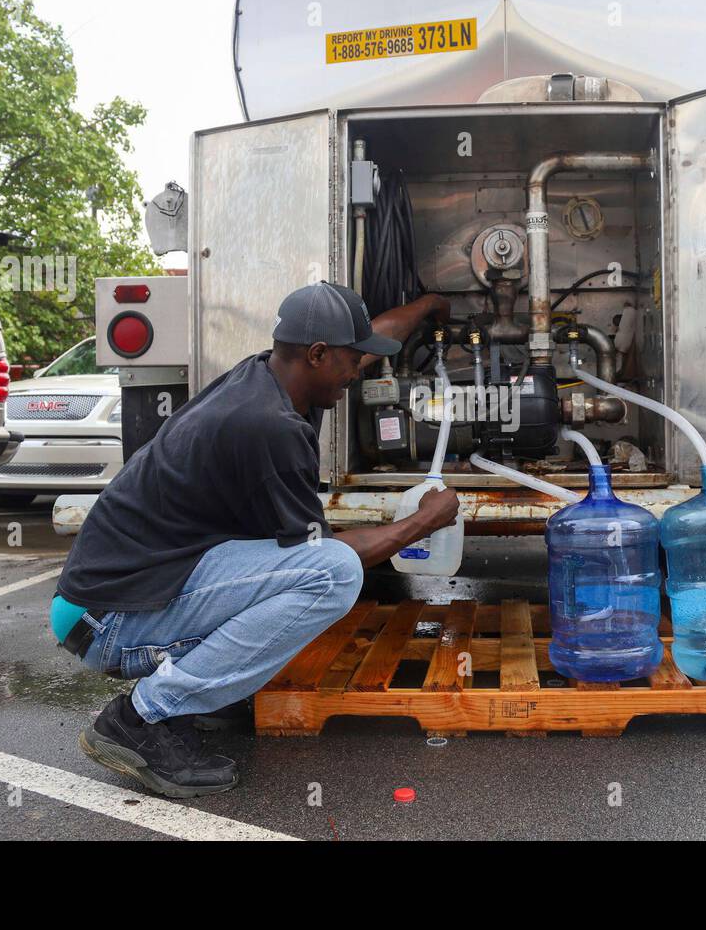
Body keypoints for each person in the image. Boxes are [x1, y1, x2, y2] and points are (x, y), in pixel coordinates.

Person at [50, 282, 461, 798]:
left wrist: (428, 307)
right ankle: (139, 719)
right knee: (332, 574)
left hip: (115, 597)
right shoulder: (269, 426)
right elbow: (320, 554)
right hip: (106, 621)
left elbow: (376, 333)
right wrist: (423, 521)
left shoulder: (268, 373)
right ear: (317, 354)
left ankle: (191, 699)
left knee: (297, 568)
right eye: (354, 361)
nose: (361, 372)